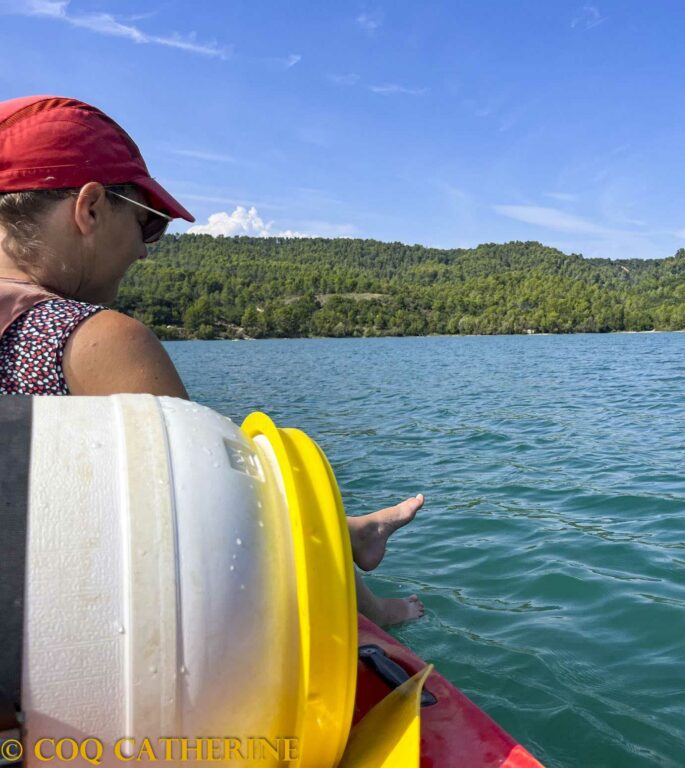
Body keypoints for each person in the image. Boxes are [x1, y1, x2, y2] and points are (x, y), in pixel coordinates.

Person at [0, 95, 422, 625]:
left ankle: (353, 535)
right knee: (237, 487)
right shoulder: (88, 339)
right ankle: (359, 574)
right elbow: (219, 526)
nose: (144, 251)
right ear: (89, 208)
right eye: (146, 224)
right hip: (69, 654)